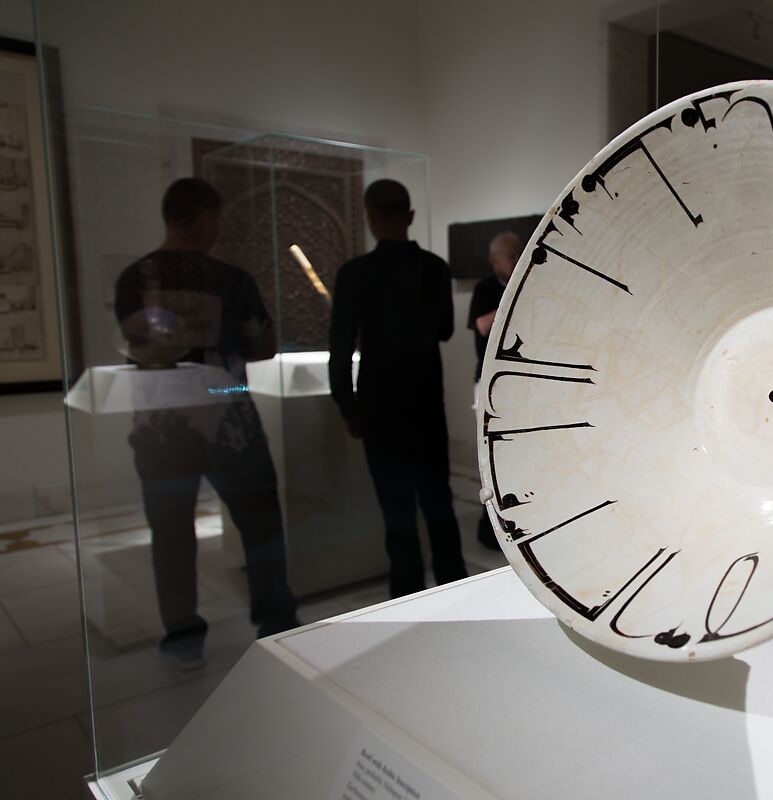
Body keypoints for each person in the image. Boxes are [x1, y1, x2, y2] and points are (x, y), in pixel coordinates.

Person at [115, 177, 298, 669]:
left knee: (170, 531)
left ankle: (182, 635)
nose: (217, 230)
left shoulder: (133, 278)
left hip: (158, 422)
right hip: (227, 414)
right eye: (215, 220)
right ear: (199, 217)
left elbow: (136, 344)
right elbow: (264, 347)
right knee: (259, 523)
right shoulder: (231, 279)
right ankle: (276, 623)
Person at [329, 179, 467, 597]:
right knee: (438, 504)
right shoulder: (434, 268)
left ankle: (406, 599)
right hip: (424, 402)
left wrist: (347, 406)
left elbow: (339, 347)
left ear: (370, 218)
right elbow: (444, 330)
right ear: (409, 216)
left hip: (379, 407)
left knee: (397, 513)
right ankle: (455, 595)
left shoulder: (354, 274)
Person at [467, 231, 522, 550]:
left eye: (518, 254)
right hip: (489, 384)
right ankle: (489, 527)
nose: (515, 260)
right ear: (493, 260)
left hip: (518, 385)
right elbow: (483, 326)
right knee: (490, 456)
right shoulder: (485, 288)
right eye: (510, 255)